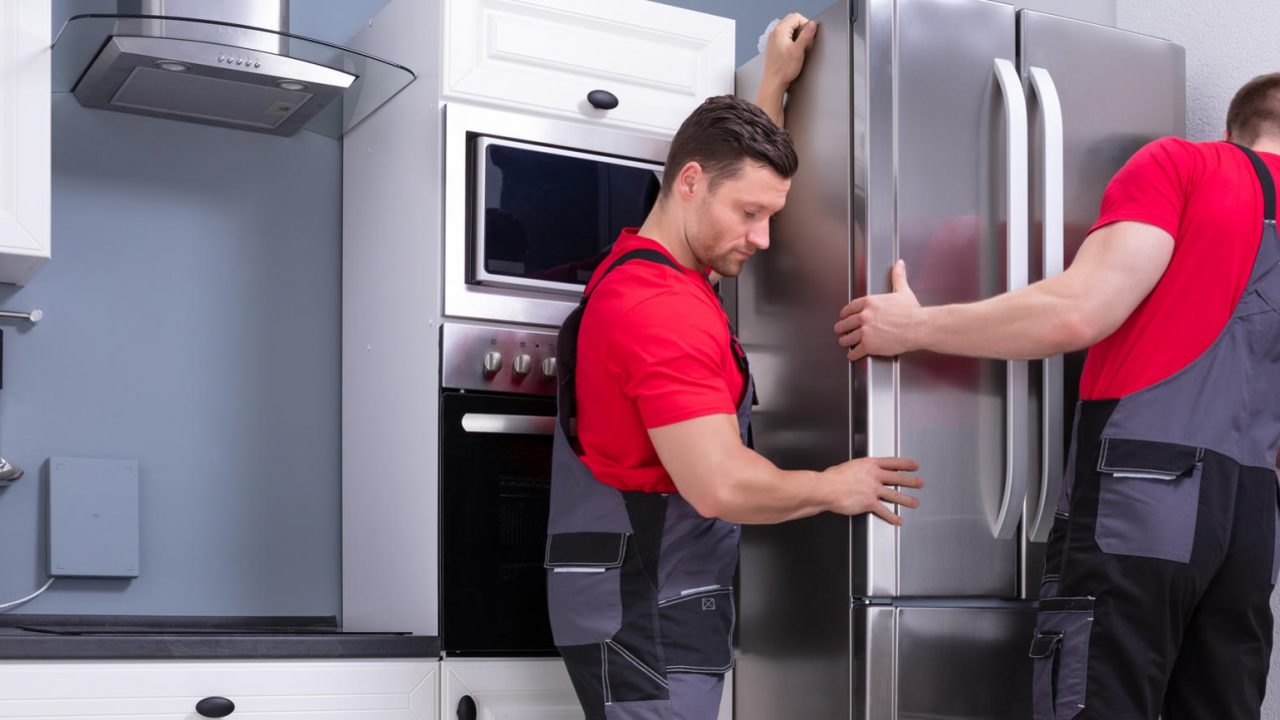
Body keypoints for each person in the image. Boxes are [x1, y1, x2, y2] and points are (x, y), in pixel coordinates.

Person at [834, 72, 1280, 720]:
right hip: (1248, 527)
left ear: (1234, 130)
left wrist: (917, 325)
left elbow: (1077, 313)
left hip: (1144, 498)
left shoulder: (1187, 165)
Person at [545, 14, 922, 720]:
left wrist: (773, 82)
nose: (764, 236)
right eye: (751, 213)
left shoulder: (659, 270)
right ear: (689, 183)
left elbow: (731, 165)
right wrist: (835, 486)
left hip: (645, 601)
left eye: (770, 214)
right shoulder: (659, 310)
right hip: (647, 617)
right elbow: (720, 485)